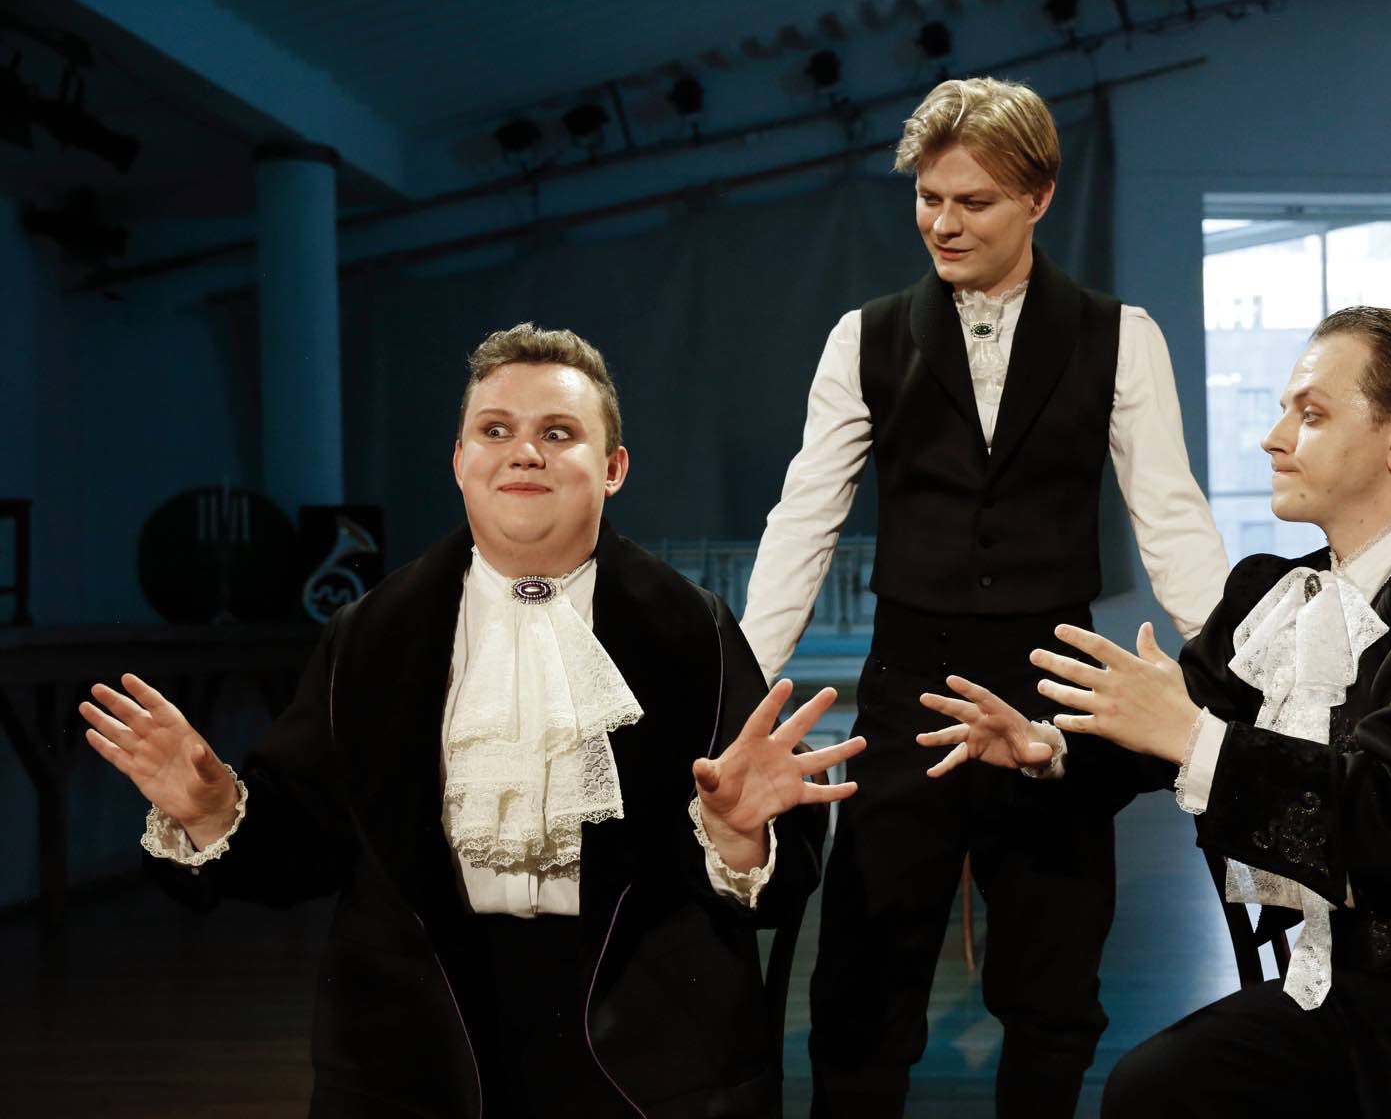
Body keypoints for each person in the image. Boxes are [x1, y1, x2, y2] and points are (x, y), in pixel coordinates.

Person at [80, 323, 865, 1119]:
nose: (524, 453)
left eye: (557, 433)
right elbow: (303, 846)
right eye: (496, 431)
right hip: (412, 1049)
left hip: (648, 1052)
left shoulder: (692, 630)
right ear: (460, 462)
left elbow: (768, 854)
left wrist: (736, 838)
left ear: (613, 468)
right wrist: (216, 813)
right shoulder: (369, 634)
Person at [920, 306, 1391, 1118]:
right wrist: (1046, 747)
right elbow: (1166, 729)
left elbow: (1390, 820)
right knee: (1154, 1090)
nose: (1273, 438)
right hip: (1350, 996)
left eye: (1311, 413)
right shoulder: (1278, 595)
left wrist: (1190, 733)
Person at [740, 77, 1228, 1117]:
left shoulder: (1119, 336)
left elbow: (1171, 516)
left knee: (1053, 993)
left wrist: (1241, 668)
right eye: (929, 198)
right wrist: (736, 680)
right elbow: (805, 518)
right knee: (862, 993)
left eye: (974, 202)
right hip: (908, 690)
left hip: (1054, 694)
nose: (943, 224)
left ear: (1040, 197)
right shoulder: (865, 337)